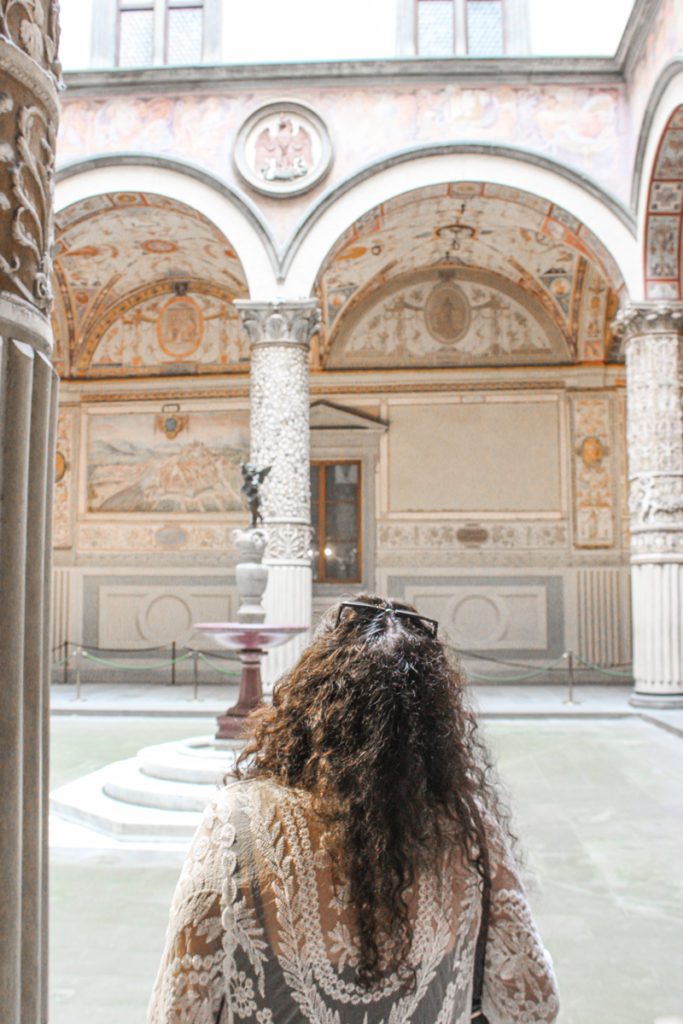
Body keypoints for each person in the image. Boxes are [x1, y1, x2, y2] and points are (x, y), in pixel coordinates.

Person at [148, 595, 559, 1023]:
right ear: (437, 725)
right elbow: (532, 1004)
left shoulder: (238, 822)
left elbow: (179, 1009)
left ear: (313, 702)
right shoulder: (466, 828)